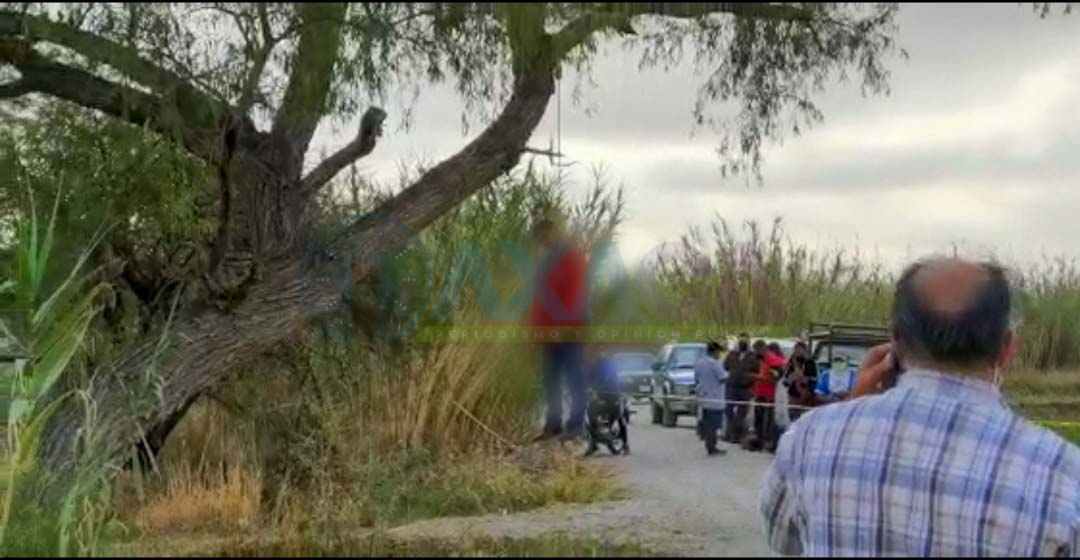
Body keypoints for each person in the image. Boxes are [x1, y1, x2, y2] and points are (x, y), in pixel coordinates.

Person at [761, 257, 1080, 557]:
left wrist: (850, 406)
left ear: (895, 341)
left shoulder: (810, 438)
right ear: (1007, 348)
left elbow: (784, 540)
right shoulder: (1061, 473)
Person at [527, 216, 589, 443]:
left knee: (574, 378)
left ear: (552, 233)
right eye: (539, 240)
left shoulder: (573, 257)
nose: (542, 243)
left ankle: (576, 426)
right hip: (548, 333)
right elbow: (539, 299)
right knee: (550, 380)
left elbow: (575, 296)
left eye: (543, 237)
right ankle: (553, 426)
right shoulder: (545, 261)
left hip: (569, 331)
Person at [585, 346, 629, 455]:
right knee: (590, 414)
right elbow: (588, 379)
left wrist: (596, 387)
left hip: (613, 396)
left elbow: (611, 379)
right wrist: (587, 388)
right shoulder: (592, 365)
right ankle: (593, 444)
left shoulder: (610, 365)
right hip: (599, 397)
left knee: (620, 417)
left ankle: (625, 444)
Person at [694, 340, 728, 456]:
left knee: (707, 423)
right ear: (715, 352)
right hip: (715, 399)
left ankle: (709, 445)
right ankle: (712, 447)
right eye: (719, 352)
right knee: (713, 426)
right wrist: (729, 374)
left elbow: (696, 379)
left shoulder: (699, 362)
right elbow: (723, 378)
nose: (719, 355)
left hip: (704, 397)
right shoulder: (715, 363)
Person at [722, 332, 756, 443]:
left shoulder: (753, 355)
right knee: (728, 411)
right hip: (731, 386)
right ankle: (730, 433)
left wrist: (749, 379)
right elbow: (725, 366)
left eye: (745, 340)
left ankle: (736, 434)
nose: (743, 342)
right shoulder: (732, 354)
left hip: (745, 388)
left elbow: (757, 370)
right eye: (741, 340)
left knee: (741, 413)